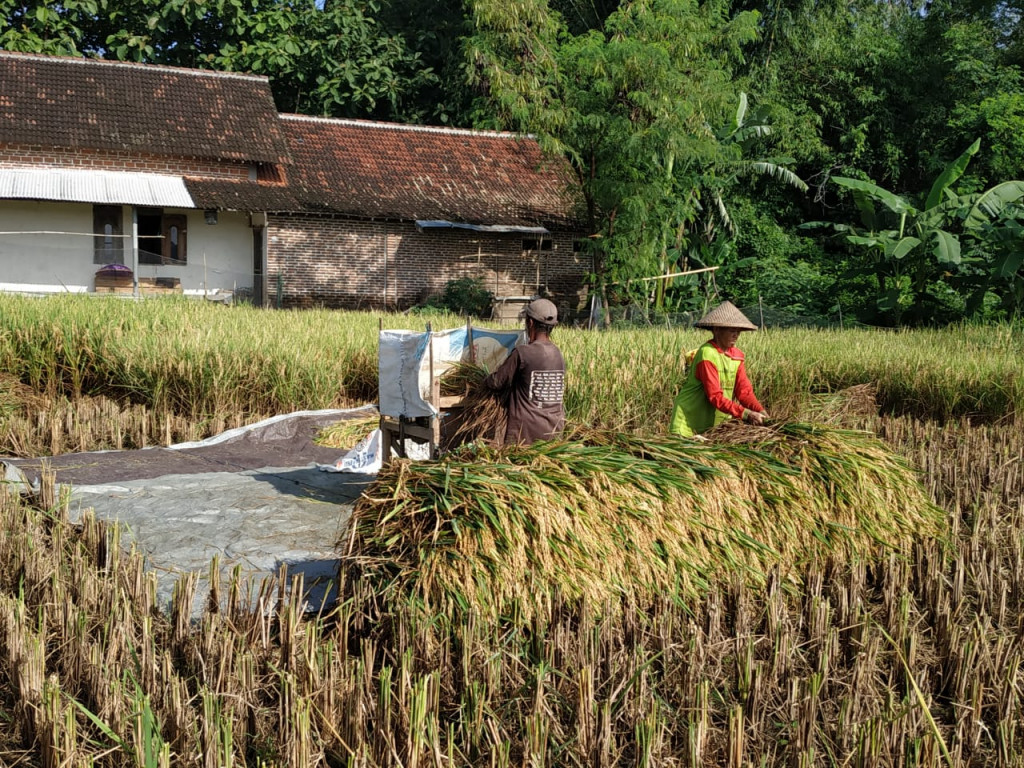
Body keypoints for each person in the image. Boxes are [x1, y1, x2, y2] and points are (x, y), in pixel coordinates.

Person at [669, 300, 769, 438]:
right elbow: (715, 396)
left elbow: (744, 392)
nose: (736, 335)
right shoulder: (707, 354)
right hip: (688, 422)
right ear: (716, 330)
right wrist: (746, 414)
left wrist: (760, 411)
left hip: (714, 425)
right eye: (732, 330)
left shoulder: (737, 356)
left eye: (738, 331)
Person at [484, 298, 566, 445]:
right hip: (554, 432)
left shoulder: (523, 353)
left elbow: (497, 382)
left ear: (530, 323)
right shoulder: (557, 353)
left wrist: (484, 379)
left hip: (525, 435)